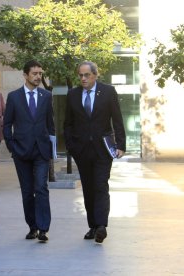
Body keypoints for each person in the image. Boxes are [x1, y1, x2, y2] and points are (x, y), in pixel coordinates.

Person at [63, 61, 126, 244]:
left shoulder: (107, 91)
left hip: (103, 149)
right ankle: (92, 226)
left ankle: (101, 226)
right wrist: (70, 146)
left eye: (86, 75)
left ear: (95, 75)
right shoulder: (73, 95)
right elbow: (68, 123)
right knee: (88, 188)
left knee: (100, 185)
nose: (83, 78)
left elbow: (117, 119)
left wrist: (120, 144)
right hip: (82, 150)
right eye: (80, 75)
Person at [3, 60, 55, 242]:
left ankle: (43, 229)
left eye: (40, 73)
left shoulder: (46, 96)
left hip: (41, 151)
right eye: (35, 73)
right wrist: (11, 146)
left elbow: (51, 124)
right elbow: (7, 124)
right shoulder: (14, 97)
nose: (38, 77)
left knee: (41, 188)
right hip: (21, 151)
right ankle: (32, 226)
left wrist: (51, 149)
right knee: (27, 191)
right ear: (25, 75)